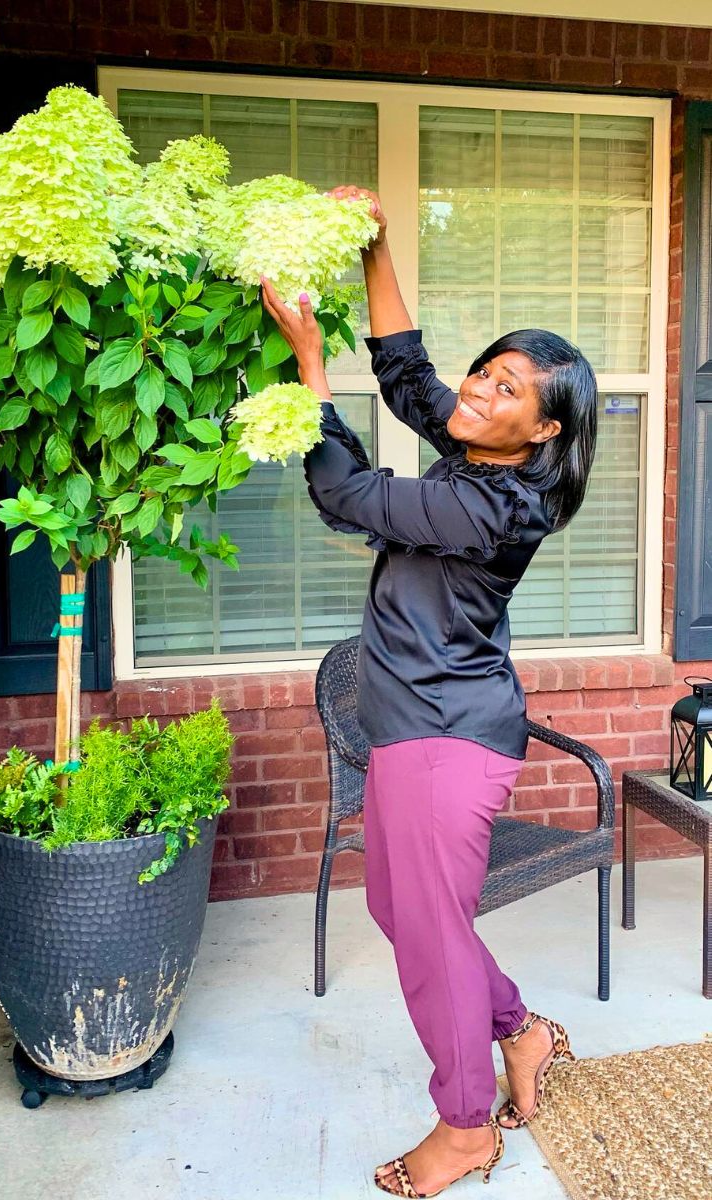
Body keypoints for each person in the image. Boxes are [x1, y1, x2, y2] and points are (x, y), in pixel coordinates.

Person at [260, 184, 598, 1199]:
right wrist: (374, 245)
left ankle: (464, 1129)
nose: (478, 396)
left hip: (449, 738)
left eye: (505, 394)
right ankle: (525, 1033)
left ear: (539, 435)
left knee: (427, 938)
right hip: (421, 723)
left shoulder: (497, 507)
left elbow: (346, 495)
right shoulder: (476, 452)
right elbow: (409, 374)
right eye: (486, 374)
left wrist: (307, 365)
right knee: (406, 914)